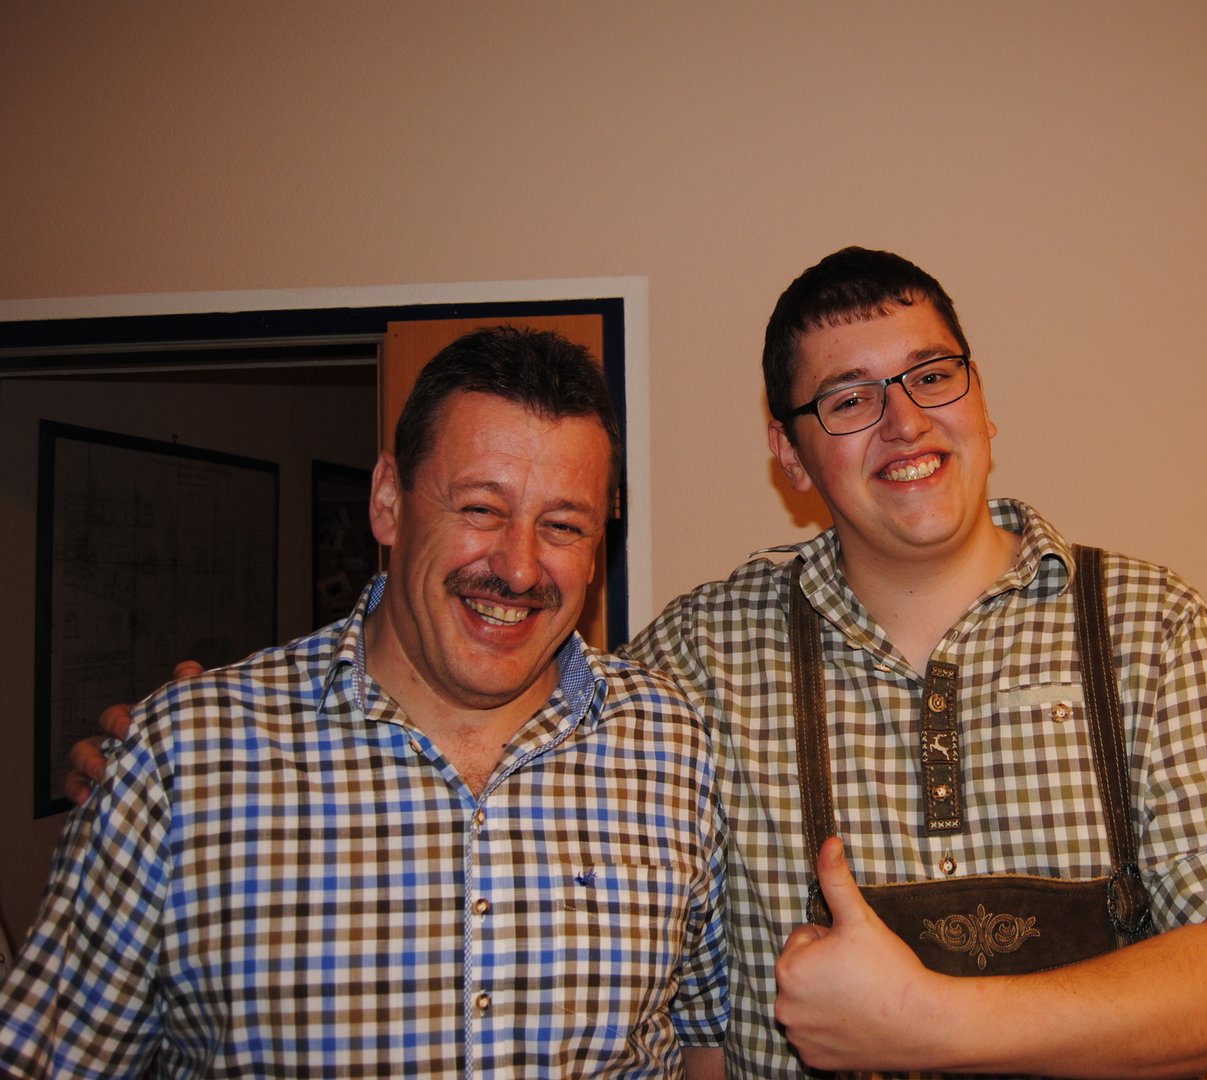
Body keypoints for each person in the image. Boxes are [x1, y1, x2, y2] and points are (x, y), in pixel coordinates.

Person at [70, 249, 1207, 1079]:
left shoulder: (1145, 626)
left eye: (929, 375)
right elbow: (502, 691)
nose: (902, 421)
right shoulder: (693, 662)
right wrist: (187, 757)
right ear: (789, 456)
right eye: (846, 398)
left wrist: (930, 1022)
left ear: (979, 395)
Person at [5, 326, 728, 1078]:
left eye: (563, 525)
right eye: (480, 509)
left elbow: (702, 1040)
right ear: (388, 501)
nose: (518, 569)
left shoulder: (669, 743)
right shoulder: (181, 760)